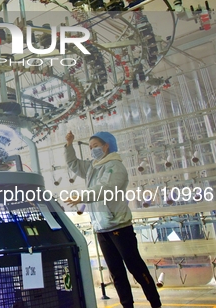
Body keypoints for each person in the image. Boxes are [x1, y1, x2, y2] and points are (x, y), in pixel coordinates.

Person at [63, 130, 161, 308]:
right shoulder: (93, 167)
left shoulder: (116, 167)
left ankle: (155, 303)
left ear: (106, 146)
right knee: (116, 272)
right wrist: (69, 145)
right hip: (102, 229)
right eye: (91, 147)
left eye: (96, 146)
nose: (93, 150)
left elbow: (107, 188)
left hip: (119, 226)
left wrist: (83, 196)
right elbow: (74, 165)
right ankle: (127, 305)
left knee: (135, 267)